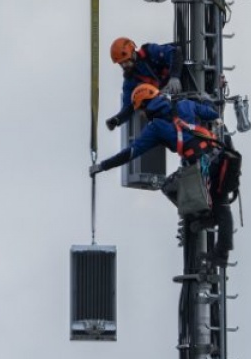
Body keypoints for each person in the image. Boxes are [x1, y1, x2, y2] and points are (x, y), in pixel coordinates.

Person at [90, 84, 240, 262]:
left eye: (141, 110)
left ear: (145, 105)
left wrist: (103, 166)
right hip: (220, 157)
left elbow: (130, 153)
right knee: (222, 205)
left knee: (169, 187)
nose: (142, 115)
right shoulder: (185, 104)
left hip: (201, 169)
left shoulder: (156, 127)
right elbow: (212, 114)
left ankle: (204, 216)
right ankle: (221, 252)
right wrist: (207, 101)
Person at [104, 37, 183, 131]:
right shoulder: (130, 80)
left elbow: (175, 52)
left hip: (182, 85)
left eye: (126, 61)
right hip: (168, 104)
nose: (124, 65)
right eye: (121, 63)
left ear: (133, 53)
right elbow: (129, 107)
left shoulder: (149, 52)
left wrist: (175, 76)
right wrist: (117, 120)